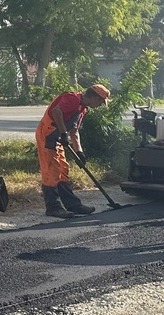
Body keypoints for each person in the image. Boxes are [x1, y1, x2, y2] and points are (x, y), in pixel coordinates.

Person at [35, 85, 109, 218]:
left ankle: (73, 205)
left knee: (63, 170)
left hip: (57, 136)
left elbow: (74, 131)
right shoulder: (73, 99)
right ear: (95, 98)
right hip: (47, 134)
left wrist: (79, 152)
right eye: (100, 102)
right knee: (52, 171)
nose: (100, 105)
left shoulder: (83, 108)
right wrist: (63, 133)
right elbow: (57, 112)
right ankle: (53, 208)